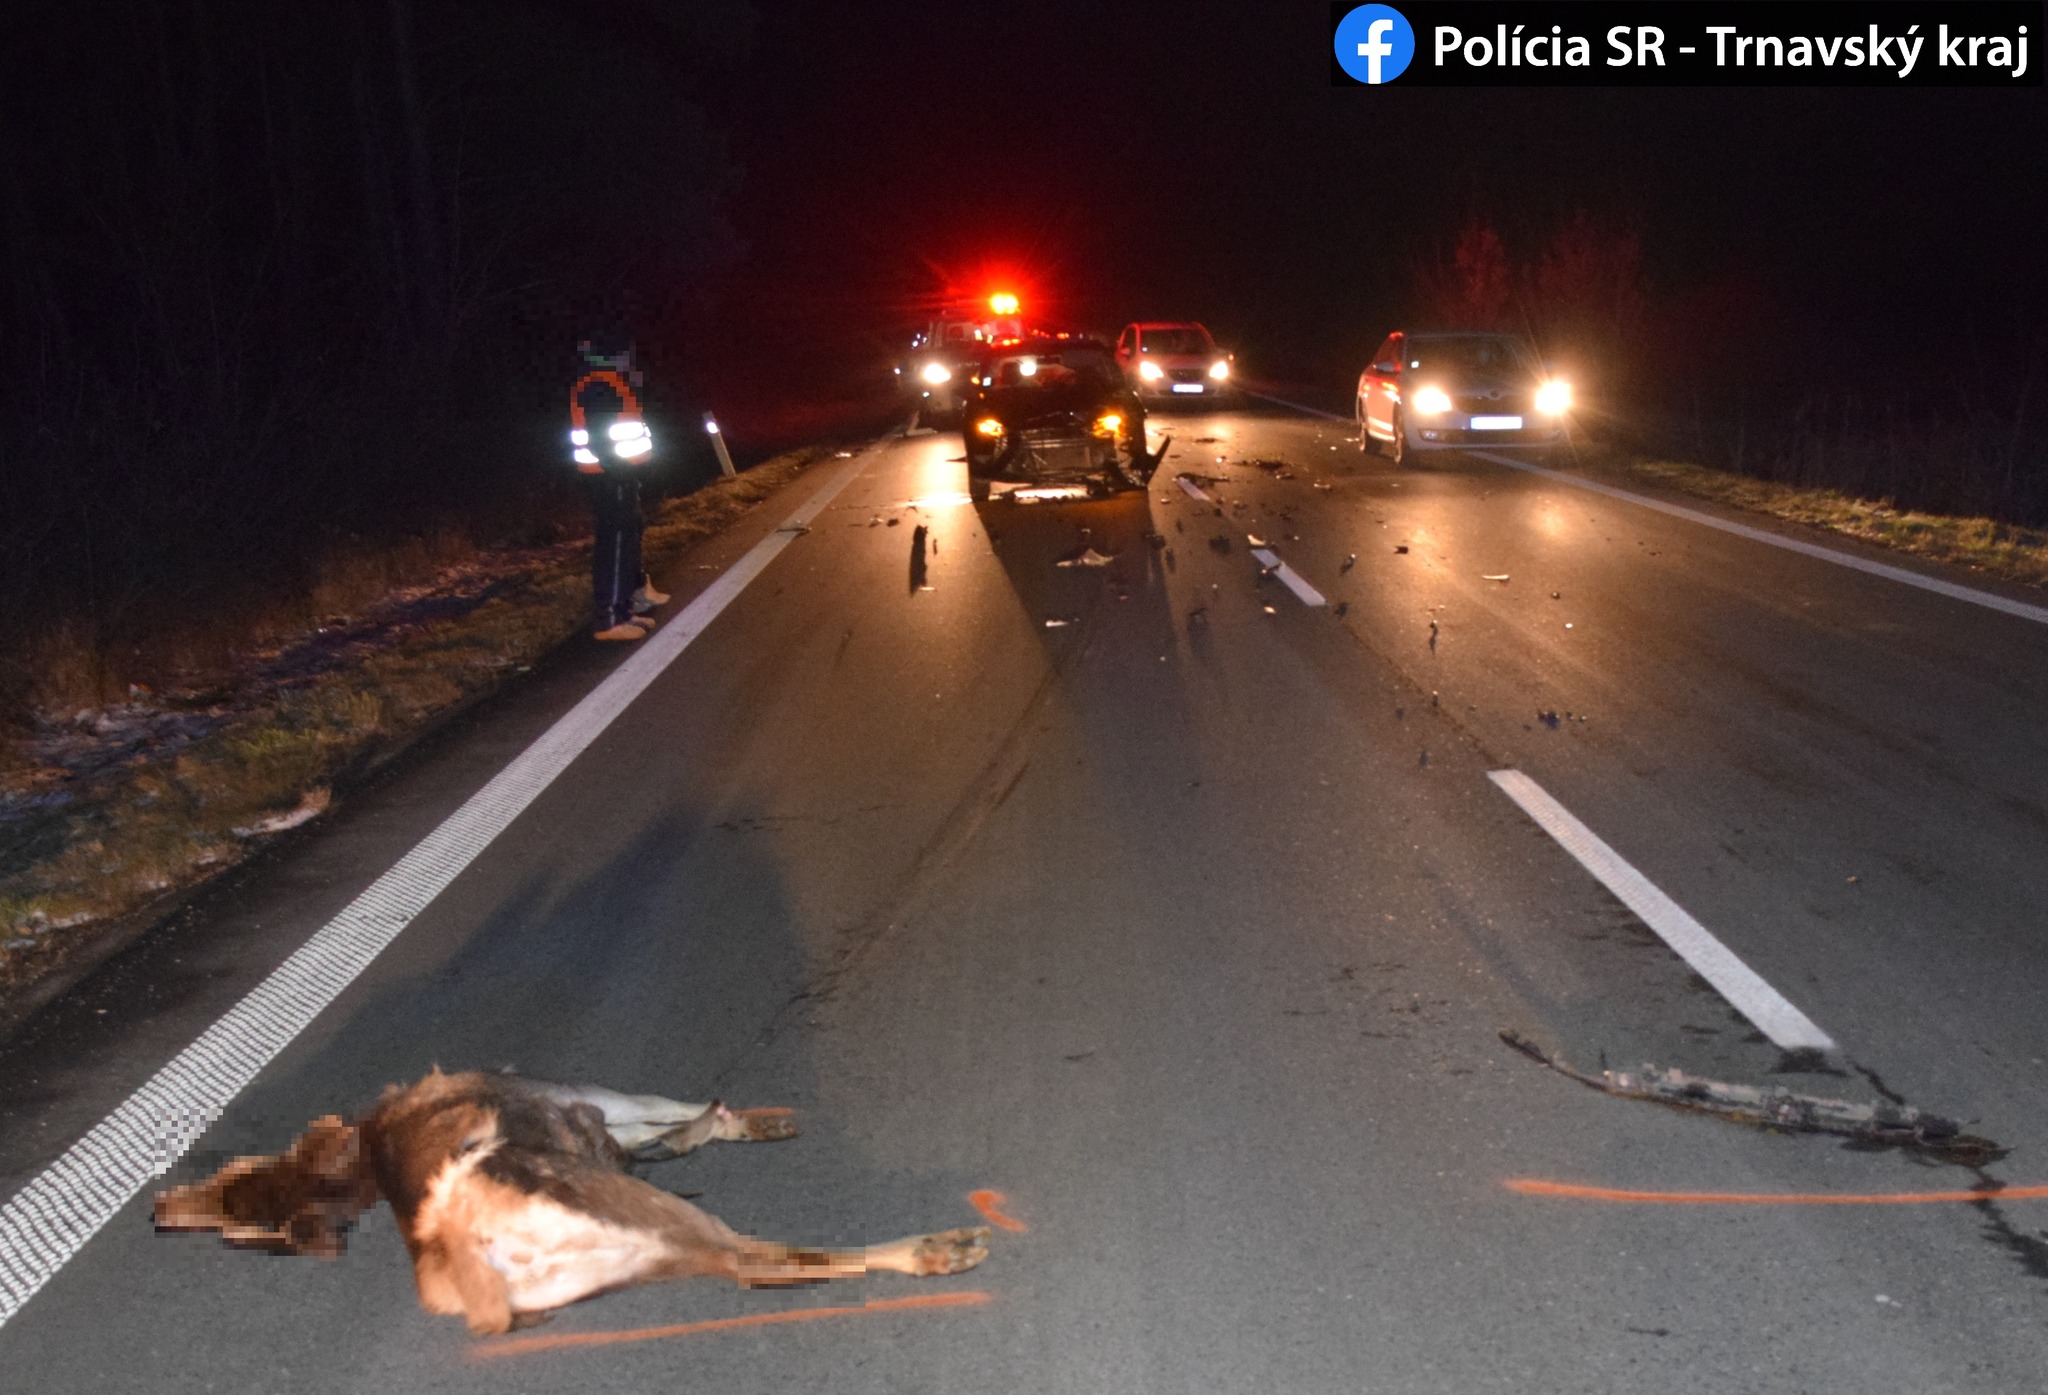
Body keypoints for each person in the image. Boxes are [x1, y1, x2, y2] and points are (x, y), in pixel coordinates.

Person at [568, 333, 669, 640]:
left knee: (629, 534)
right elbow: (601, 438)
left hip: (617, 474)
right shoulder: (600, 385)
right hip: (610, 477)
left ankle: (630, 602)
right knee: (614, 545)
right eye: (623, 353)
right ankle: (610, 619)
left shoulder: (607, 381)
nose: (629, 358)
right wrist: (620, 472)